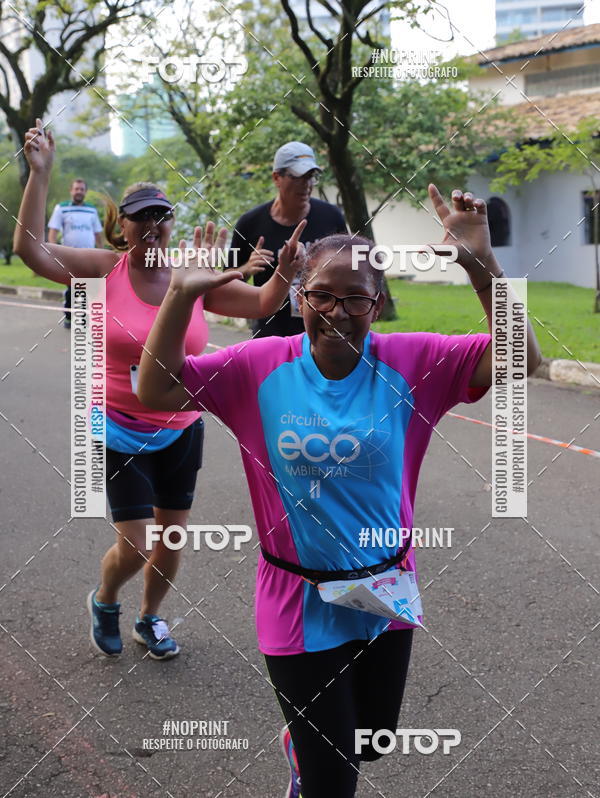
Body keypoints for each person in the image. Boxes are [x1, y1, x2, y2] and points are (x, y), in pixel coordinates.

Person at [138, 185, 542, 795]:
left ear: (378, 304)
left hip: (385, 583)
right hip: (295, 593)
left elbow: (522, 359)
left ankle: (307, 741)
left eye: (355, 297)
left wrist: (483, 268)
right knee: (334, 780)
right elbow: (156, 392)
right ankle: (311, 756)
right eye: (321, 294)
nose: (336, 310)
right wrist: (179, 294)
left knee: (372, 740)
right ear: (298, 297)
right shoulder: (258, 365)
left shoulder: (414, 362)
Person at [14, 118, 305, 661]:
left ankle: (150, 618)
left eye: (161, 215)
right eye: (140, 216)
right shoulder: (105, 271)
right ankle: (105, 599)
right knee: (137, 542)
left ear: (172, 224)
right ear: (119, 227)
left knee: (171, 540)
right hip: (117, 428)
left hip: (180, 429)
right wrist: (42, 172)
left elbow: (264, 304)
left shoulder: (191, 279)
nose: (152, 223)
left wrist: (283, 275)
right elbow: (31, 251)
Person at [229, 141, 346, 337]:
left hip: (322, 332)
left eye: (311, 177)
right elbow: (227, 280)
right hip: (270, 335)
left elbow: (349, 269)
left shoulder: (331, 217)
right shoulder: (249, 223)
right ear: (277, 178)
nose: (307, 185)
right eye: (298, 177)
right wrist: (246, 268)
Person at [48, 177, 103, 329]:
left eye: (82, 189)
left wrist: (102, 250)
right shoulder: (62, 208)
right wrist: (54, 253)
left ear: (85, 192)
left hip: (90, 255)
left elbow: (98, 233)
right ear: (71, 190)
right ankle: (69, 317)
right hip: (69, 256)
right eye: (76, 189)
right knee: (72, 288)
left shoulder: (91, 210)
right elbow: (53, 232)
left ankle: (84, 317)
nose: (79, 191)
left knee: (89, 287)